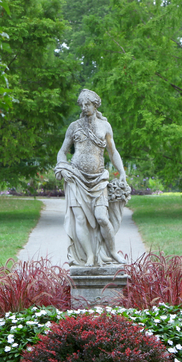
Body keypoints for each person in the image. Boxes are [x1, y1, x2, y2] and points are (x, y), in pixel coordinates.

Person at [55, 89, 130, 266]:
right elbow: (62, 152)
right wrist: (63, 167)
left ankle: (112, 252)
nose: (84, 107)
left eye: (87, 104)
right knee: (80, 219)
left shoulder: (105, 126)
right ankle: (89, 255)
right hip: (76, 178)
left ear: (95, 105)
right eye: (82, 104)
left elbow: (113, 152)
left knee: (102, 218)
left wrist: (123, 172)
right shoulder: (74, 126)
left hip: (98, 179)